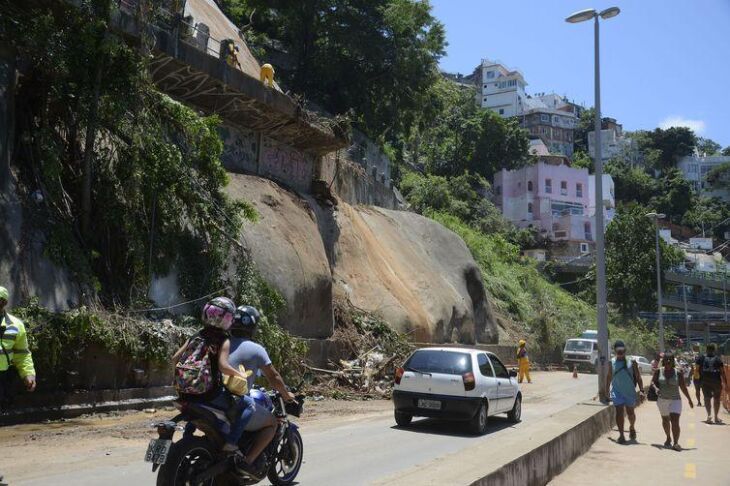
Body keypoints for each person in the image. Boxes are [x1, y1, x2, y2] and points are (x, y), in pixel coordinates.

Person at [172, 297, 253, 456]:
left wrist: (183, 379)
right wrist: (240, 374)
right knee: (248, 404)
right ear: (227, 319)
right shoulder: (223, 339)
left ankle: (188, 438)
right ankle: (231, 443)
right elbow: (223, 366)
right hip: (209, 393)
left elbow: (175, 358)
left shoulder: (196, 334)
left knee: (196, 407)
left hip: (183, 393)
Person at [226, 305, 296, 477]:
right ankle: (247, 462)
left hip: (215, 398)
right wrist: (287, 396)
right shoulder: (255, 349)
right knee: (272, 422)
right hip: (234, 402)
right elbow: (274, 377)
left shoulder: (221, 343)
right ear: (253, 326)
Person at [0, 286, 37, 408]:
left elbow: (22, 354)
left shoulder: (16, 325)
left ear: (4, 303)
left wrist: (28, 374)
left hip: (3, 376)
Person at [651, 351, 694, 450]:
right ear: (664, 361)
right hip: (662, 400)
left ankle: (676, 443)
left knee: (675, 421)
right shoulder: (658, 371)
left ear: (673, 361)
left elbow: (683, 387)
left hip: (675, 400)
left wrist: (689, 399)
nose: (668, 362)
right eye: (666, 360)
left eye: (670, 360)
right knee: (665, 420)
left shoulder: (678, 373)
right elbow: (653, 382)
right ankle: (668, 437)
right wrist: (656, 388)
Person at [605, 340, 644, 444]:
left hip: (629, 392)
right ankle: (621, 435)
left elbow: (638, 377)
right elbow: (609, 377)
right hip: (616, 391)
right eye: (618, 351)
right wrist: (606, 391)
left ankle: (632, 427)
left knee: (630, 412)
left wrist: (642, 390)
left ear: (625, 350)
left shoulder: (632, 362)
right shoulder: (611, 362)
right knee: (619, 411)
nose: (620, 353)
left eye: (622, 351)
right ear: (615, 351)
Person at [696, 343, 726, 424]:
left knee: (707, 398)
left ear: (706, 349)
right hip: (716, 381)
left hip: (705, 381)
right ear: (714, 350)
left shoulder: (701, 358)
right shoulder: (718, 359)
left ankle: (709, 415)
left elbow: (696, 370)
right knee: (716, 399)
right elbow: (722, 372)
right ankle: (716, 417)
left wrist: (697, 381)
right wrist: (725, 383)